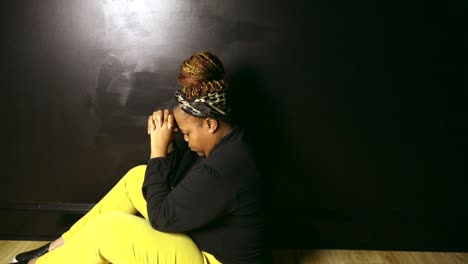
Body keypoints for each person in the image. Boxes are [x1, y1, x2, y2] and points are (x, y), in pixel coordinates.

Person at [11, 51, 271, 264]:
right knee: (137, 178)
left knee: (107, 230)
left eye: (188, 133)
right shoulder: (234, 141)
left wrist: (157, 152)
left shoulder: (223, 170)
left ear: (211, 124)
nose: (186, 140)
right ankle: (55, 249)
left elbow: (161, 217)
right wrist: (167, 147)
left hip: (210, 260)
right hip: (202, 238)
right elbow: (184, 190)